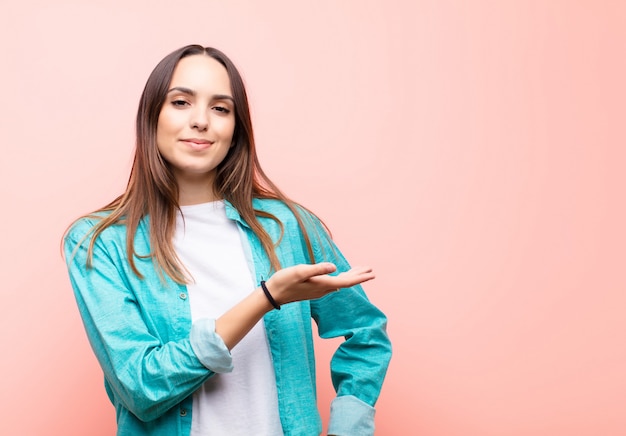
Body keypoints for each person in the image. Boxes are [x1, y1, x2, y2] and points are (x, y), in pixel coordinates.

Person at [63, 44, 391, 436]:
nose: (201, 121)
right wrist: (265, 298)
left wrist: (348, 429)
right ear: (152, 115)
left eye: (221, 108)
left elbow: (366, 333)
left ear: (236, 128)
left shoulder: (287, 228)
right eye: (181, 102)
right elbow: (142, 388)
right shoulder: (100, 243)